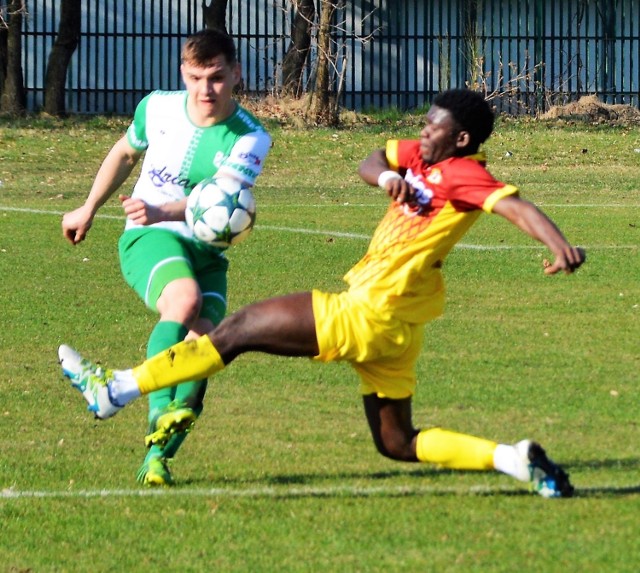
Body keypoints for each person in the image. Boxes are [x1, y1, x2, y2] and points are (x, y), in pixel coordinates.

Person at [59, 88, 585, 497]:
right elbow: (373, 158)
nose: (421, 133)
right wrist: (386, 179)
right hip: (397, 333)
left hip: (367, 312)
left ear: (462, 140)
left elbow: (516, 206)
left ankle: (118, 389)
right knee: (397, 443)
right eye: (424, 124)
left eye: (433, 127)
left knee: (236, 331)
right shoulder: (421, 159)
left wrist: (560, 245)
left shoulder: (464, 173)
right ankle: (515, 459)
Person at [60, 29, 271, 486]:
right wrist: (88, 207)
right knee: (184, 301)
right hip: (149, 236)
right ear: (183, 72)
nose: (205, 89)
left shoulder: (251, 137)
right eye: (195, 77)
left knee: (206, 352)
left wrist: (163, 206)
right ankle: (150, 404)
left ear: (236, 73)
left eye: (216, 77)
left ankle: (156, 460)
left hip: (208, 250)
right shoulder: (156, 107)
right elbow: (124, 152)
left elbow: (220, 202)